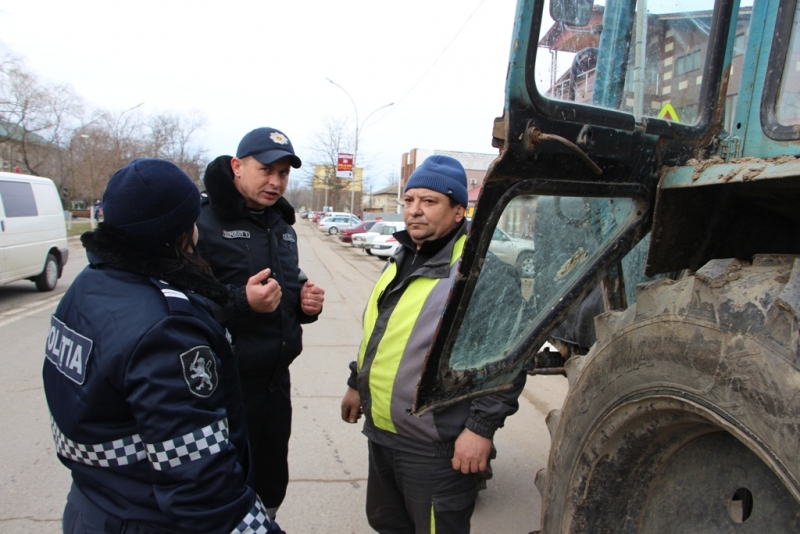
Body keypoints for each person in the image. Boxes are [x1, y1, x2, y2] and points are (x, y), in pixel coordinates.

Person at [43, 158, 283, 533]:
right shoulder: (167, 328)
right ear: (179, 230)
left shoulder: (88, 286)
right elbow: (201, 483)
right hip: (147, 518)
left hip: (93, 505)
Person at [340, 155, 527, 534]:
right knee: (388, 524)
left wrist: (480, 429)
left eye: (429, 201)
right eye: (409, 201)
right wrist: (354, 381)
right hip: (384, 436)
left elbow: (507, 361)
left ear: (459, 211)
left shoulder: (481, 273)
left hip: (435, 448)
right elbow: (383, 332)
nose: (414, 211)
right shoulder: (403, 257)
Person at [196, 127, 325, 520]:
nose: (276, 182)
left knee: (270, 485)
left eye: (284, 173)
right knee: (224, 490)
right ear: (237, 166)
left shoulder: (281, 225)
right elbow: (178, 304)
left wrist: (305, 304)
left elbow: (287, 283)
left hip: (275, 385)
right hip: (223, 389)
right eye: (266, 169)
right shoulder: (202, 222)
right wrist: (241, 301)